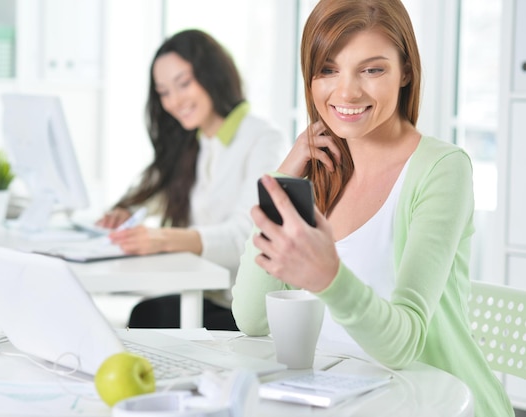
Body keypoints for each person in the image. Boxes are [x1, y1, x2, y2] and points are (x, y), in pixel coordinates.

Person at [230, 0, 513, 415]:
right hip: (343, 402)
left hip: (439, 406)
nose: (346, 91)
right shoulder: (318, 173)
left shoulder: (442, 169)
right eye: (328, 69)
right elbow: (253, 319)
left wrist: (329, 277)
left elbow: (405, 344)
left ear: (406, 73)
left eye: (372, 69)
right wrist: (284, 180)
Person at [97, 29, 288, 330]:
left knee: (146, 319)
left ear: (212, 75)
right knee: (145, 315)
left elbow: (247, 236)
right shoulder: (194, 141)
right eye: (163, 92)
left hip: (245, 311)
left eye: (183, 84)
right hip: (202, 295)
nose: (174, 101)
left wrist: (162, 239)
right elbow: (148, 195)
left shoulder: (264, 139)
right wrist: (127, 214)